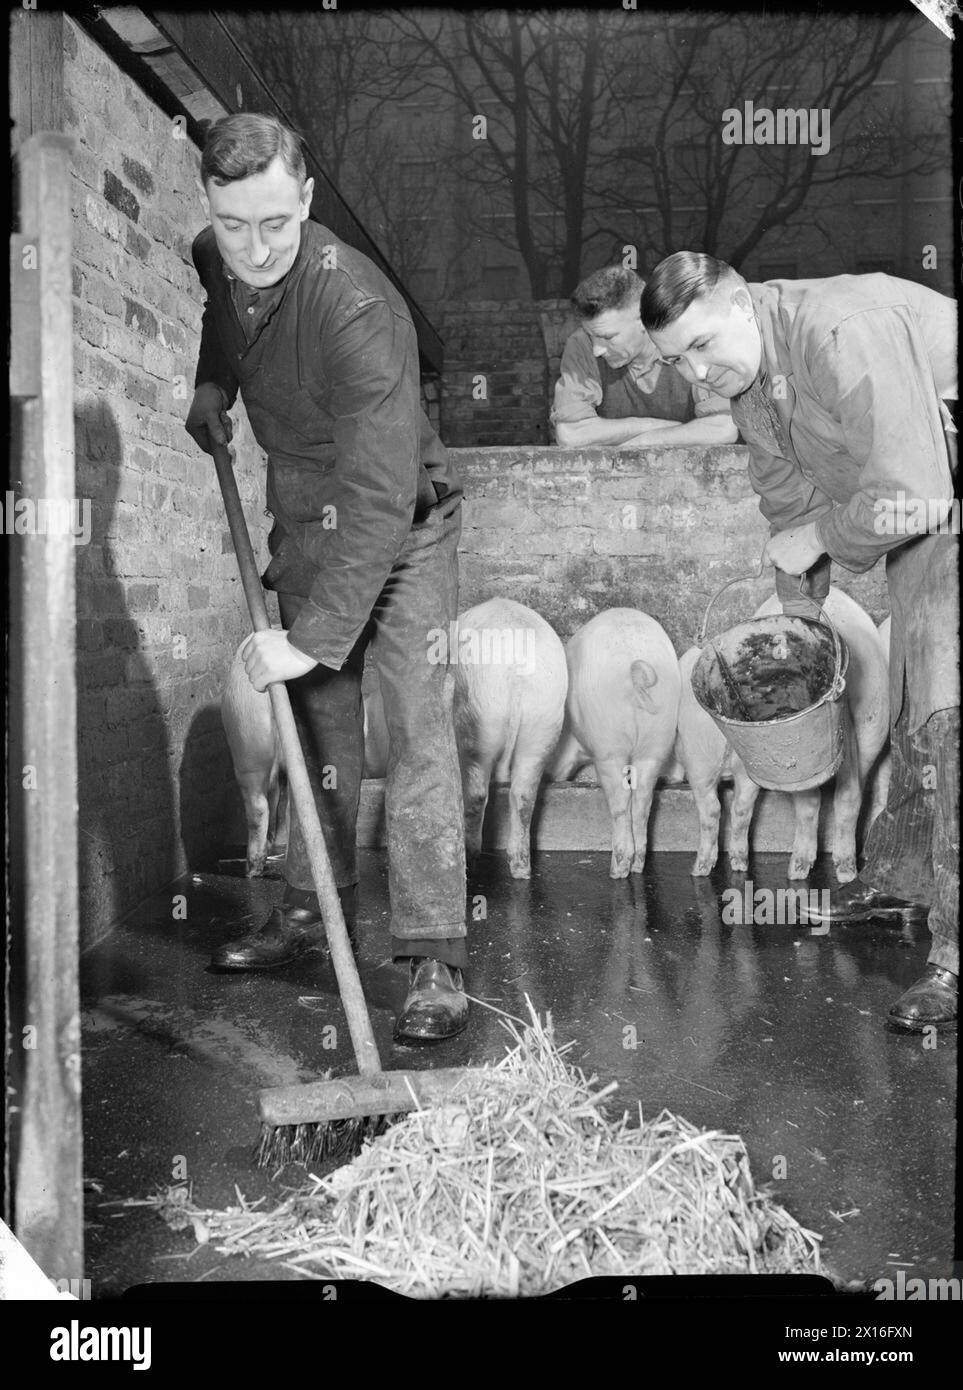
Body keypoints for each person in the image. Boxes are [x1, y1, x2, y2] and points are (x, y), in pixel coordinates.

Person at [186, 113, 469, 1042]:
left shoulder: (355, 307)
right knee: (314, 728)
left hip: (400, 518)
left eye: (276, 223)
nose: (256, 248)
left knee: (415, 725)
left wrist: (310, 642)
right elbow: (223, 323)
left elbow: (383, 497)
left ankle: (432, 953)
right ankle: (308, 912)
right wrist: (210, 388)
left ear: (305, 201)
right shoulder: (216, 254)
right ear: (212, 212)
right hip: (305, 510)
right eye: (235, 226)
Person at [641, 252, 958, 1032]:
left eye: (704, 344)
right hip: (930, 513)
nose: (696, 373)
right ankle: (909, 879)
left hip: (936, 496)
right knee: (921, 693)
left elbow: (913, 492)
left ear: (742, 305)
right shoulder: (749, 386)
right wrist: (798, 623)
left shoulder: (838, 329)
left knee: (951, 709)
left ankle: (954, 956)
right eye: (676, 359)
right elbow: (788, 505)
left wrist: (821, 535)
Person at [551, 266, 736, 449]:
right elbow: (571, 434)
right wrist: (654, 427)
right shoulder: (582, 344)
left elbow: (723, 427)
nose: (597, 349)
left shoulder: (688, 337)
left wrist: (643, 442)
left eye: (608, 337)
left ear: (643, 319)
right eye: (591, 335)